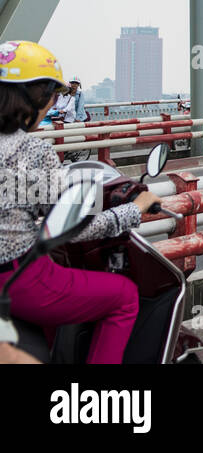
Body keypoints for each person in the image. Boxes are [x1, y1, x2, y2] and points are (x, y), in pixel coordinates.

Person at [0, 40, 162, 364]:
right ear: (35, 97)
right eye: (53, 97)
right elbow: (73, 226)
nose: (52, 104)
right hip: (17, 276)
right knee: (124, 297)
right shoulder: (33, 151)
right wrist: (134, 209)